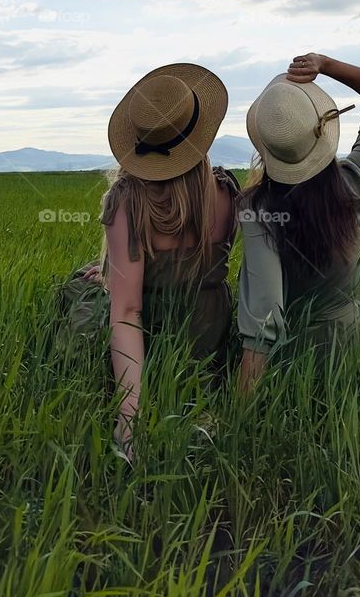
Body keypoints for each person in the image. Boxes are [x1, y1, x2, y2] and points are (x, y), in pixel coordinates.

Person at [60, 63, 237, 457]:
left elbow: (127, 312)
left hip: (152, 335)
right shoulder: (227, 190)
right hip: (208, 331)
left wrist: (129, 422)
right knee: (98, 275)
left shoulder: (129, 202)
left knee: (78, 287)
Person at [237, 52, 360, 389]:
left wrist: (238, 420)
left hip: (291, 359)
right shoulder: (356, 181)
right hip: (354, 344)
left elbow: (263, 322)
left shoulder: (257, 209)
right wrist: (325, 65)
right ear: (324, 131)